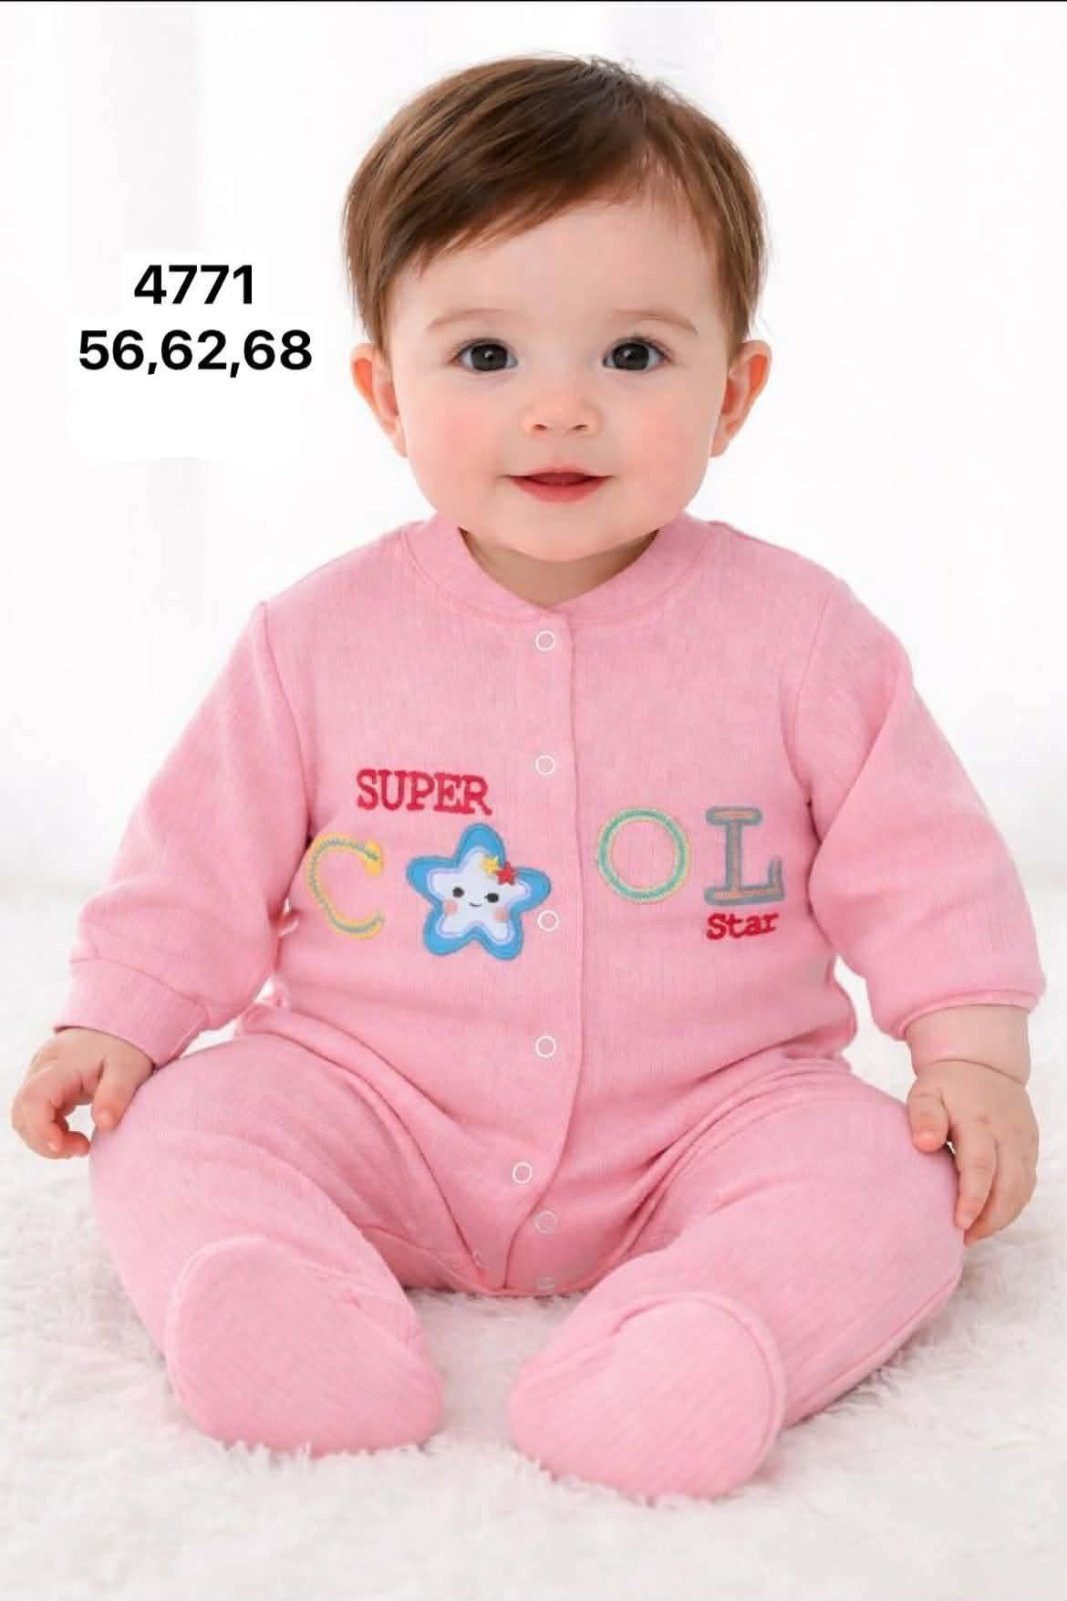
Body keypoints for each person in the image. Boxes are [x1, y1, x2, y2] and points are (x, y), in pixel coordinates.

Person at [10, 53, 1045, 1502]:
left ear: (735, 392)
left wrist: (972, 1058)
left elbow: (925, 864)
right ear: (386, 392)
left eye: (634, 357)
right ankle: (285, 1308)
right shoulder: (316, 639)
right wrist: (114, 1022)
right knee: (173, 1128)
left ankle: (709, 1330)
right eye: (488, 357)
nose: (559, 409)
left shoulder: (803, 637)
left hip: (713, 1116)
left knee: (895, 1179)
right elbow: (194, 862)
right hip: (373, 1101)